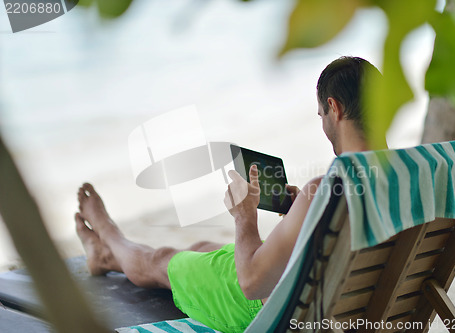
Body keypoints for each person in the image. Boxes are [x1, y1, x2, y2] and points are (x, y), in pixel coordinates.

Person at [75, 56, 380, 332]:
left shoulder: (322, 191)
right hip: (352, 309)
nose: (323, 124)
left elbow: (251, 284)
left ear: (335, 108)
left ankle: (109, 234)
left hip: (275, 312)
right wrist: (301, 215)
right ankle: (104, 258)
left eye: (321, 115)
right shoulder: (403, 183)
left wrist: (243, 215)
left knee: (161, 259)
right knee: (201, 246)